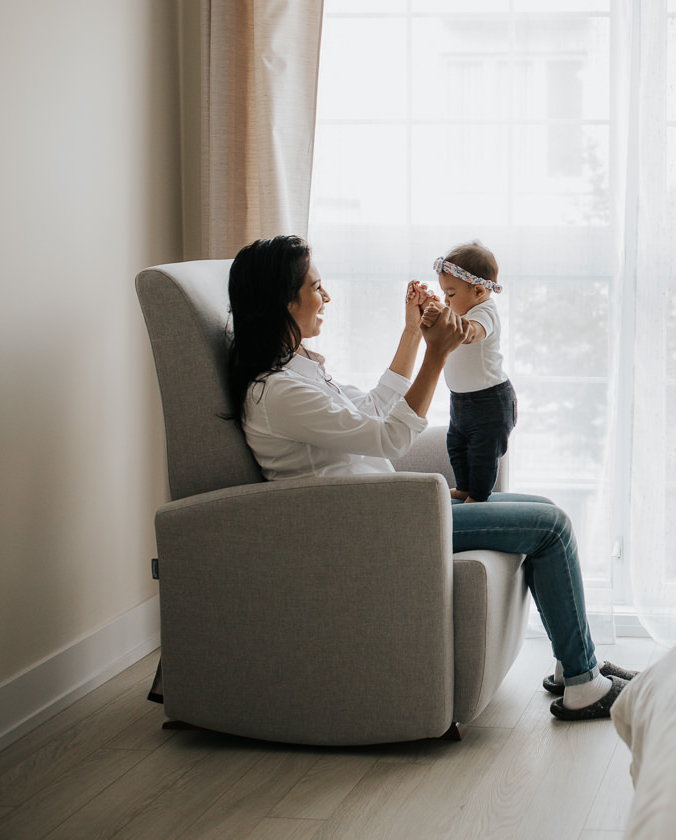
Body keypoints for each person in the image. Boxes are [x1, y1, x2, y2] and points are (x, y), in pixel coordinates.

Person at [225, 235, 633, 720]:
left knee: (547, 512)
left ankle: (575, 669)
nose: (326, 297)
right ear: (283, 301)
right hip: (378, 523)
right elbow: (389, 439)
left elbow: (377, 407)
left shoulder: (296, 372)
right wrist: (437, 356)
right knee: (551, 527)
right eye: (316, 286)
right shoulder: (279, 391)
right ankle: (584, 684)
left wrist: (413, 334)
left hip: (394, 508)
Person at [430, 241, 516, 504]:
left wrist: (462, 330)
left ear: (478, 290)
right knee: (456, 447)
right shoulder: (459, 311)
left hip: (490, 402)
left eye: (451, 294)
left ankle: (478, 497)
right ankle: (464, 487)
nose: (446, 300)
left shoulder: (484, 312)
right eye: (444, 293)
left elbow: (475, 330)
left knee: (482, 454)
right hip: (460, 401)